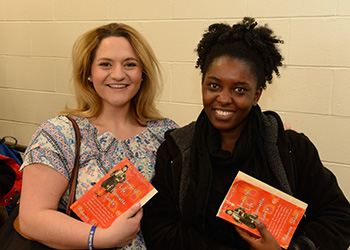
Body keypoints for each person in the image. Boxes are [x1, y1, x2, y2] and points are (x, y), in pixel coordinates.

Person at [142, 17, 350, 250]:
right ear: (202, 84)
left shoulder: (290, 148)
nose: (223, 98)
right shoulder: (176, 149)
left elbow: (338, 218)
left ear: (257, 95)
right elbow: (159, 229)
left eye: (239, 89)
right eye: (214, 85)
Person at [18, 23, 178, 249]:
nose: (119, 74)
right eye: (105, 64)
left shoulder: (165, 133)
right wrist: (101, 238)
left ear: (143, 74)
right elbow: (31, 219)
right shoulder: (59, 134)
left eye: (130, 64)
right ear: (88, 74)